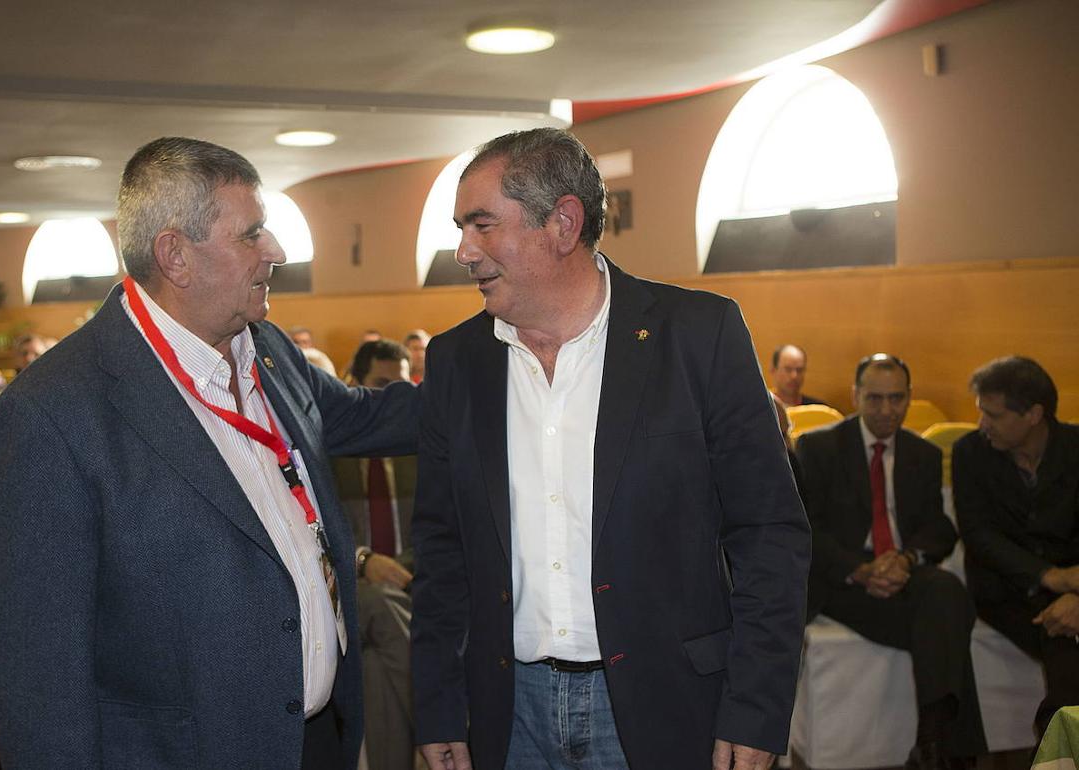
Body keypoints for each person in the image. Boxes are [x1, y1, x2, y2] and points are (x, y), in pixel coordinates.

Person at [0, 136, 419, 770]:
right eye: (252, 235)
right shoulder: (53, 414)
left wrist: (511, 347)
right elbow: (32, 673)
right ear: (175, 255)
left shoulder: (269, 352)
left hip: (313, 743)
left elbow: (370, 417)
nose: (277, 252)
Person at [410, 128, 809, 770]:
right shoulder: (457, 361)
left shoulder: (698, 336)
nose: (463, 251)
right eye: (461, 228)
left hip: (671, 708)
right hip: (507, 716)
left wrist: (756, 710)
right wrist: (436, 707)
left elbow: (769, 536)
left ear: (563, 223)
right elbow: (440, 553)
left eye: (482, 226)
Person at [796, 353, 986, 768]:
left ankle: (934, 740)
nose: (886, 410)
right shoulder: (821, 447)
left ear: (909, 398)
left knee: (947, 591)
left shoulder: (923, 454)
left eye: (896, 399)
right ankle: (947, 748)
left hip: (901, 570)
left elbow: (938, 527)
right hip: (842, 579)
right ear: (856, 396)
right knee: (946, 621)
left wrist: (905, 558)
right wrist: (860, 570)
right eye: (875, 399)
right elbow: (808, 529)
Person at [954, 355, 1079, 738]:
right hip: (1006, 588)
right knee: (1063, 641)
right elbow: (979, 536)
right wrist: (1048, 577)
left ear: (1034, 414)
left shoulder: (1075, 447)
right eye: (981, 412)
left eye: (993, 415)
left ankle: (1055, 738)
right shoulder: (970, 453)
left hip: (1073, 585)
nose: (982, 424)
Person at [333, 338, 418, 770]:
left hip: (414, 585)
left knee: (378, 675)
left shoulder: (416, 454)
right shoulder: (328, 454)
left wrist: (401, 571)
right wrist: (365, 561)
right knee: (381, 605)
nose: (390, 401)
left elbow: (440, 531)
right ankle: (442, 721)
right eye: (380, 386)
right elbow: (317, 535)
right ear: (354, 386)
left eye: (400, 388)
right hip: (350, 591)